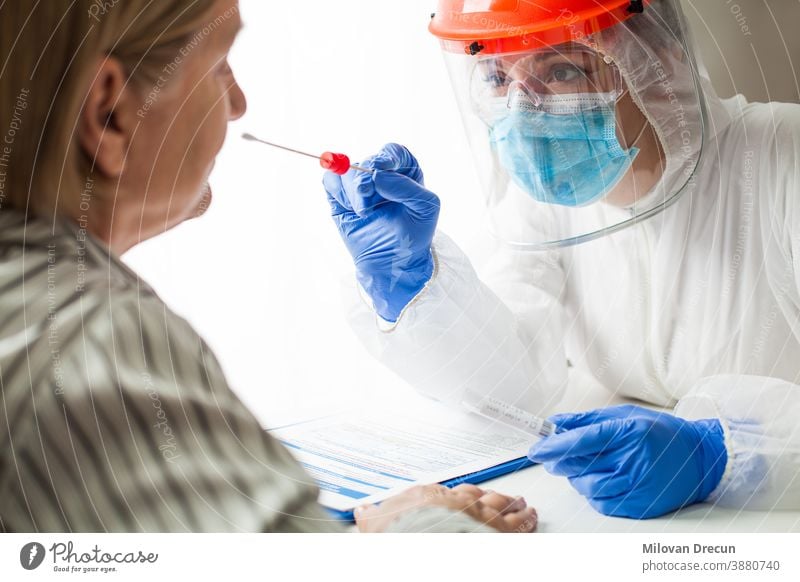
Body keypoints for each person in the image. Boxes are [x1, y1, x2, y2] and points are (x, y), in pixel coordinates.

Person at [0, 0, 537, 533]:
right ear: (109, 115)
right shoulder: (91, 343)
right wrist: (416, 537)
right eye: (218, 66)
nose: (237, 103)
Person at [324, 0, 800, 519]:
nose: (523, 108)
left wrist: (730, 455)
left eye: (562, 69)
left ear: (659, 64)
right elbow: (513, 383)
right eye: (497, 76)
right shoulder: (547, 206)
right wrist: (413, 288)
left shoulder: (782, 161)